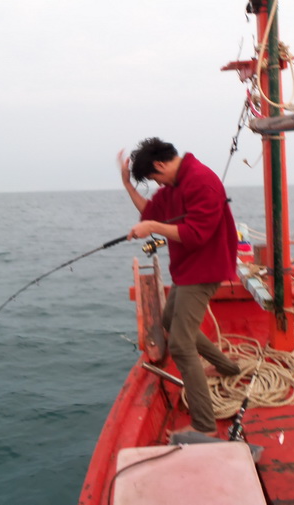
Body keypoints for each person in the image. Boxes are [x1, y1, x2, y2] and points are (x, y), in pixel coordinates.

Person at [119, 137, 241, 437]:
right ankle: (228, 367)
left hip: (206, 269)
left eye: (152, 177)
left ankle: (204, 426)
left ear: (161, 165)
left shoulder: (201, 182)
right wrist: (128, 185)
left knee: (181, 345)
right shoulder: (173, 185)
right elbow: (151, 213)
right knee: (168, 321)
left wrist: (152, 229)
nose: (155, 183)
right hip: (187, 269)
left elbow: (196, 234)